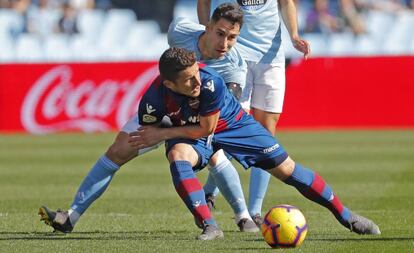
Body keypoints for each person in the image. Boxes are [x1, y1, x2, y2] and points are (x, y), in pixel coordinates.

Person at [38, 3, 258, 238]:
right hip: (166, 107)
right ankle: (71, 217)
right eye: (220, 34)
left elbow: (226, 108)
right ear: (208, 26)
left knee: (216, 154)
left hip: (200, 117)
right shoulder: (180, 31)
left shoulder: (234, 65)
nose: (224, 44)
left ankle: (243, 216)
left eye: (232, 37)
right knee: (118, 150)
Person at [129, 47, 381, 238]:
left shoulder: (210, 82)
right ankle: (210, 226)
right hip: (190, 133)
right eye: (188, 80)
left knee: (288, 170)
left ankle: (346, 215)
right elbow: (151, 126)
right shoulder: (153, 99)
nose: (197, 82)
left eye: (197, 73)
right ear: (169, 84)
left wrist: (163, 135)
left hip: (234, 125)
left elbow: (207, 128)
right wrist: (160, 132)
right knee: (178, 157)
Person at [197, 0, 311, 225]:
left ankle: (254, 211)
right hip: (236, 57)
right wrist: (206, 29)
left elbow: (287, 3)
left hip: (271, 57)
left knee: (265, 136)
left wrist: (294, 35)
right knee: (232, 128)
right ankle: (211, 190)